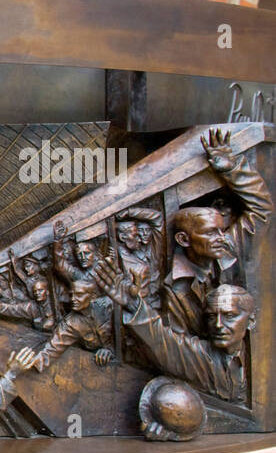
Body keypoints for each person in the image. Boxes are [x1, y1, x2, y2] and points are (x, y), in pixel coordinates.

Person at [161, 128, 271, 338]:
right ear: (184, 239)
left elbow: (261, 209)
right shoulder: (176, 289)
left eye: (222, 231)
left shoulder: (225, 247)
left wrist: (233, 168)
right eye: (211, 233)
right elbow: (181, 344)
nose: (221, 237)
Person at [95, 258, 254, 403]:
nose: (219, 324)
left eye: (229, 316)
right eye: (212, 316)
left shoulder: (262, 359)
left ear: (251, 321)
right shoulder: (201, 355)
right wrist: (133, 304)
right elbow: (162, 341)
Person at [34, 279, 114, 369]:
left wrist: (110, 349)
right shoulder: (70, 322)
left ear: (93, 296)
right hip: (101, 365)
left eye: (79, 295)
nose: (73, 299)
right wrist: (23, 366)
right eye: (72, 294)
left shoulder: (109, 306)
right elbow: (51, 350)